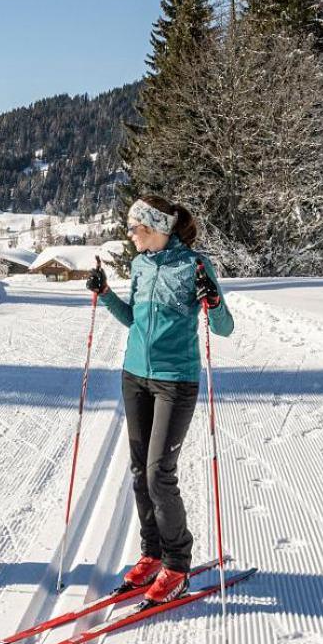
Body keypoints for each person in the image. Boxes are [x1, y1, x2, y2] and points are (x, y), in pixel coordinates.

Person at [86, 195, 233, 603]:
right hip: (134, 377)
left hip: (175, 380)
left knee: (158, 474)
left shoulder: (195, 266)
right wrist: (106, 294)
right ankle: (151, 554)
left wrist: (214, 301)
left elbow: (224, 328)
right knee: (138, 471)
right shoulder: (139, 265)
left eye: (136, 227)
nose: (130, 234)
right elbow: (133, 318)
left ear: (156, 228)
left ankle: (177, 564)